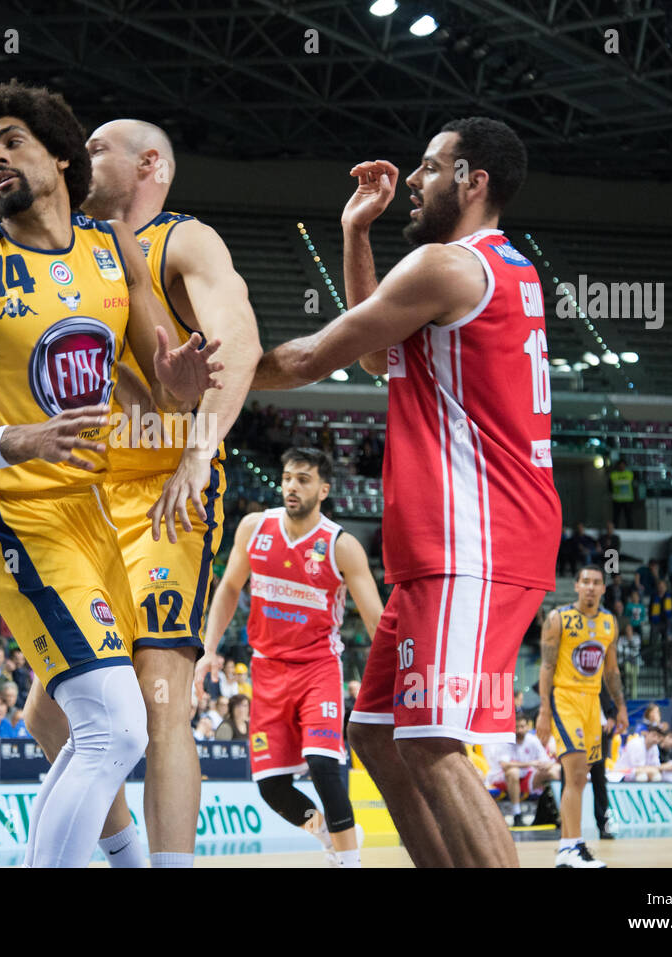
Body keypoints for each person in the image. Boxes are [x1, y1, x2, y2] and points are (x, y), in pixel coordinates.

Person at [0, 82, 219, 869]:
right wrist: (23, 439)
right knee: (115, 723)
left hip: (95, 515)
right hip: (20, 513)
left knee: (107, 730)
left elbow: (163, 386)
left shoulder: (114, 251)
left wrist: (183, 382)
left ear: (59, 154)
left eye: (10, 141)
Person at [253, 119, 562, 868]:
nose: (415, 182)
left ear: (473, 180)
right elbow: (376, 356)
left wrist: (202, 381)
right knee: (377, 733)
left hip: (475, 538)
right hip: (456, 542)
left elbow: (313, 357)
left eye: (430, 167)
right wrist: (356, 233)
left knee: (430, 740)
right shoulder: (498, 269)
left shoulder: (447, 266)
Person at [22, 115, 261, 869]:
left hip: (165, 488)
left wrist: (198, 451)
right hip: (87, 495)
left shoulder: (185, 240)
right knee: (49, 709)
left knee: (160, 691)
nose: (78, 159)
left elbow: (241, 342)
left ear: (149, 162)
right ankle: (126, 857)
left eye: (95, 148)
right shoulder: (70, 252)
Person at [198, 447, 382, 867]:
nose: (291, 487)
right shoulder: (253, 527)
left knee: (323, 761)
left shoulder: (341, 545)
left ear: (323, 488)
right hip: (266, 669)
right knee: (271, 786)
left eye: (302, 479)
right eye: (287, 478)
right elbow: (228, 588)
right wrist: (209, 649)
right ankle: (326, 833)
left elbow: (376, 620)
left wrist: (388, 678)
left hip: (318, 669)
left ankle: (349, 860)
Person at [536, 566, 627, 868]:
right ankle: (567, 848)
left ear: (603, 589)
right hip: (565, 698)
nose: (590, 587)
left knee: (581, 777)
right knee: (574, 773)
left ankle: (573, 845)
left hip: (592, 704)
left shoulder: (608, 622)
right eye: (585, 581)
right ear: (576, 586)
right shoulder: (557, 619)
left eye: (596, 583)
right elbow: (546, 668)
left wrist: (621, 706)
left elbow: (611, 670)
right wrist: (543, 711)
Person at [485, 714, 561, 826]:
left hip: (526, 777)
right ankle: (517, 814)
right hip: (500, 779)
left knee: (556, 770)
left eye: (523, 726)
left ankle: (558, 813)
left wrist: (546, 766)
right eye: (517, 727)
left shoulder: (532, 740)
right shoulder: (505, 740)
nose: (520, 730)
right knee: (513, 772)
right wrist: (530, 763)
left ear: (527, 727)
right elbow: (505, 765)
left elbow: (545, 760)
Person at [608, 459, 635, 527]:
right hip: (617, 499)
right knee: (616, 517)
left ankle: (630, 530)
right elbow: (610, 486)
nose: (621, 467)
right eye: (620, 465)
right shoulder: (613, 474)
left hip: (628, 499)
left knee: (629, 517)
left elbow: (632, 484)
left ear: (625, 466)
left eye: (623, 465)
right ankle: (614, 530)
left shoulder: (630, 474)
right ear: (617, 466)